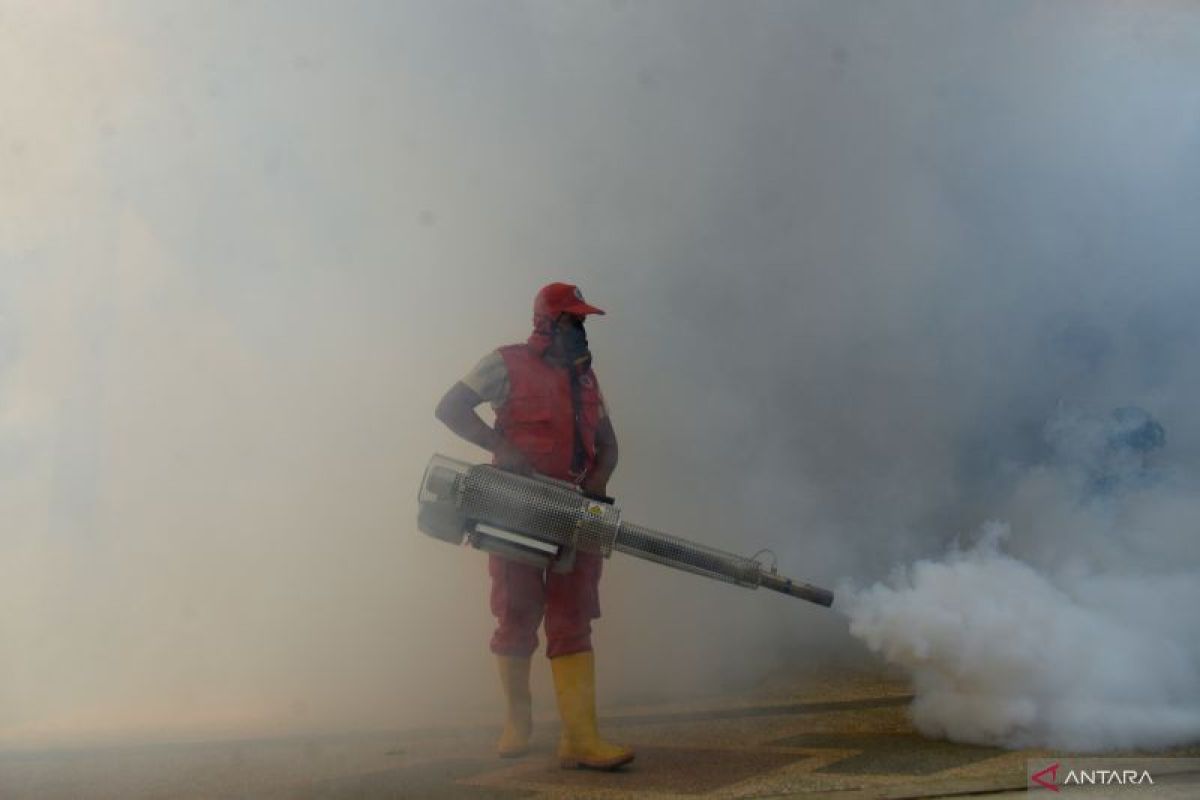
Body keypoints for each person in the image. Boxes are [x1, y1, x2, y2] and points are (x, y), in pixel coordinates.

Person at [435, 282, 634, 770]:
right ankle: (517, 721)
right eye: (573, 320)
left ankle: (580, 739)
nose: (581, 330)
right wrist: (499, 447)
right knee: (516, 613)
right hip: (515, 509)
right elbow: (450, 407)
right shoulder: (505, 363)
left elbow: (608, 445)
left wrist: (597, 486)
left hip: (572, 512)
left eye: (583, 321)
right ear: (547, 322)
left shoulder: (586, 380)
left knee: (572, 618)